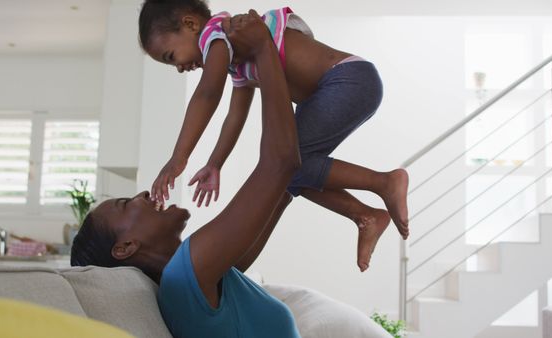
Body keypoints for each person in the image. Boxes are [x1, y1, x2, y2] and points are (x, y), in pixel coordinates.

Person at [72, 11, 302, 337]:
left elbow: (282, 188)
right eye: (125, 203)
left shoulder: (203, 275)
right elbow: (281, 165)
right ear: (125, 247)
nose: (141, 195)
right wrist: (264, 49)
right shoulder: (184, 277)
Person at [139, 0, 409, 271]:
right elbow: (235, 116)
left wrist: (178, 158)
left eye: (171, 56)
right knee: (286, 172)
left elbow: (208, 93)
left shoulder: (217, 34)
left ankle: (383, 183)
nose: (179, 68)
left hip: (346, 80)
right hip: (337, 89)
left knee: (284, 164)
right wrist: (215, 163)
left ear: (190, 24)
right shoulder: (236, 56)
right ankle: (365, 216)